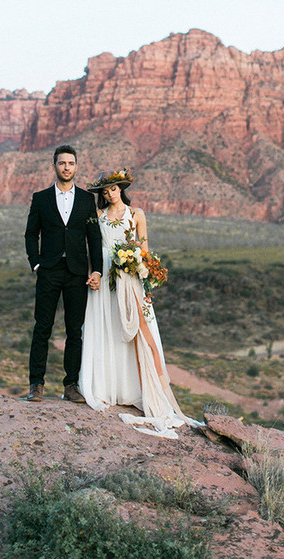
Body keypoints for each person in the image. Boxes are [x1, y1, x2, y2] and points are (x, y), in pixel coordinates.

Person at [79, 169, 193, 438]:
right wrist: (92, 273)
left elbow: (143, 247)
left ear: (121, 188)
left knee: (139, 328)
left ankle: (139, 389)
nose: (110, 194)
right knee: (106, 326)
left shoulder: (137, 214)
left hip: (129, 276)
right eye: (105, 192)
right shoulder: (97, 217)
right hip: (105, 272)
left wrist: (140, 269)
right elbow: (92, 250)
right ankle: (108, 387)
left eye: (114, 189)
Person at [24, 144, 103, 403]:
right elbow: (30, 234)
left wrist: (98, 271)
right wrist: (36, 263)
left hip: (77, 272)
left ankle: (71, 385)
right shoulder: (41, 198)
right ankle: (36, 384)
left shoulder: (86, 200)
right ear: (54, 166)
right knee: (42, 328)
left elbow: (94, 237)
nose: (66, 167)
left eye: (70, 163)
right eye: (62, 163)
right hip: (49, 271)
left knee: (74, 331)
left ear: (76, 166)